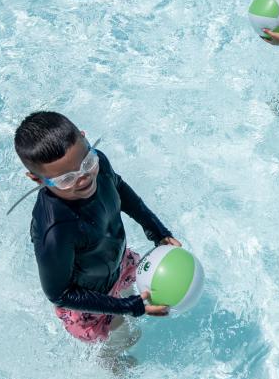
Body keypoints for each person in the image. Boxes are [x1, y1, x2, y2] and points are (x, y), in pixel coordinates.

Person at [13, 111, 179, 361]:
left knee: (135, 296)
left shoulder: (96, 162)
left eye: (87, 163)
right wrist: (125, 307)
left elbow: (119, 188)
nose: (83, 178)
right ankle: (111, 365)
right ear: (37, 179)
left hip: (117, 262)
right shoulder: (55, 230)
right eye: (67, 179)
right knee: (125, 338)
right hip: (88, 301)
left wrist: (157, 231)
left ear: (84, 139)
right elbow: (59, 294)